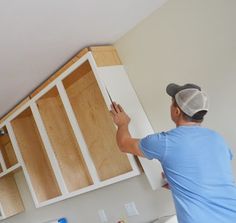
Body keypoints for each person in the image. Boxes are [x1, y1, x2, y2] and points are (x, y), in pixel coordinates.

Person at [110, 83, 236, 223]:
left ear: (176, 111)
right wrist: (179, 183)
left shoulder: (165, 142)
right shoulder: (217, 139)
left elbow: (123, 144)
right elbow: (214, 174)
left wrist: (122, 124)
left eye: (172, 103)